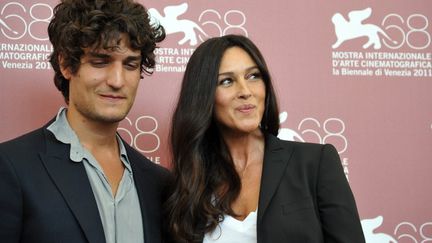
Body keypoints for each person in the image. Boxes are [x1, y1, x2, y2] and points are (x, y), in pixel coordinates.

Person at [164, 35, 365, 243]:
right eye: (227, 81)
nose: (245, 91)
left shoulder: (315, 163)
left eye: (253, 76)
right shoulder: (187, 183)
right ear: (203, 95)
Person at [0, 0, 170, 243]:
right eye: (101, 61)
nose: (117, 80)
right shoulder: (11, 166)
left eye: (130, 64)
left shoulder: (158, 182)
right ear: (66, 64)